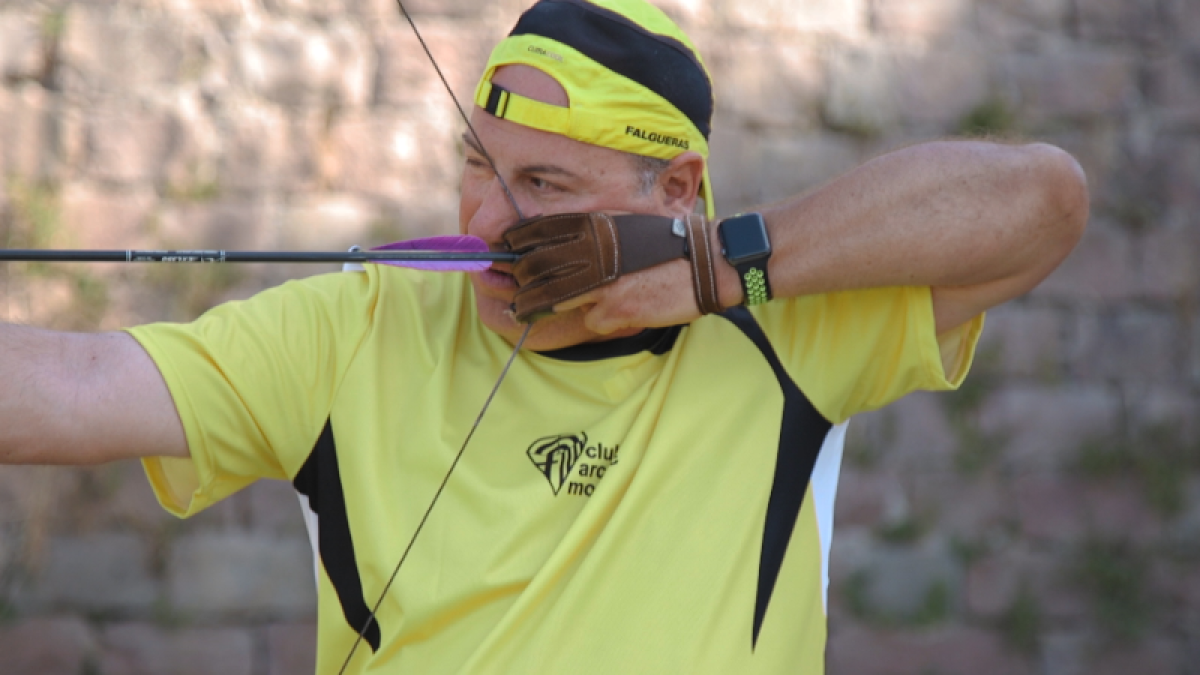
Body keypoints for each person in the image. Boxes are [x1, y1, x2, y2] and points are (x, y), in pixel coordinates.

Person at [0, 0, 1088, 672]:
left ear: (676, 188)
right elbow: (74, 385)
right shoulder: (364, 325)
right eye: (476, 165)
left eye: (543, 184)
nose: (484, 221)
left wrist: (712, 272)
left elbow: (1041, 200)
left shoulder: (780, 328)